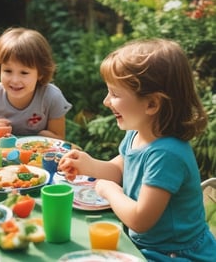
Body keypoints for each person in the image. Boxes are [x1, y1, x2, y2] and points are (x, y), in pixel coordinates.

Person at [58, 39, 216, 260]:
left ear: (151, 104)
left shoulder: (167, 154)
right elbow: (121, 169)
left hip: (176, 255)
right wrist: (88, 165)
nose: (106, 101)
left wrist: (111, 191)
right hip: (148, 246)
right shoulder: (137, 132)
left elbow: (140, 220)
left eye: (115, 94)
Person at [0, 27, 71, 139]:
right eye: (8, 71)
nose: (14, 80)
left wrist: (41, 137)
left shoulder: (52, 97)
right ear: (0, 69)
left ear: (40, 73)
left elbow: (59, 138)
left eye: (24, 72)